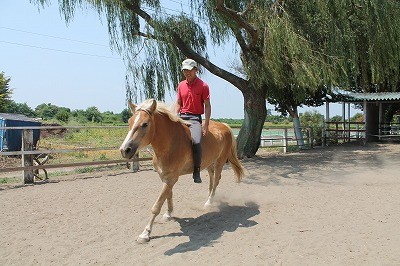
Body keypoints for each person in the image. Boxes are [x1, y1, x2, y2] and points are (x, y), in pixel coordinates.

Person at [175, 58, 211, 183]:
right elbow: (179, 103)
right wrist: (174, 115)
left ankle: (196, 170)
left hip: (195, 119)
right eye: (184, 70)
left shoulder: (203, 86)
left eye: (189, 70)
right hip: (181, 117)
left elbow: (207, 105)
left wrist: (206, 124)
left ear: (195, 70)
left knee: (196, 142)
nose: (186, 73)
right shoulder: (180, 85)